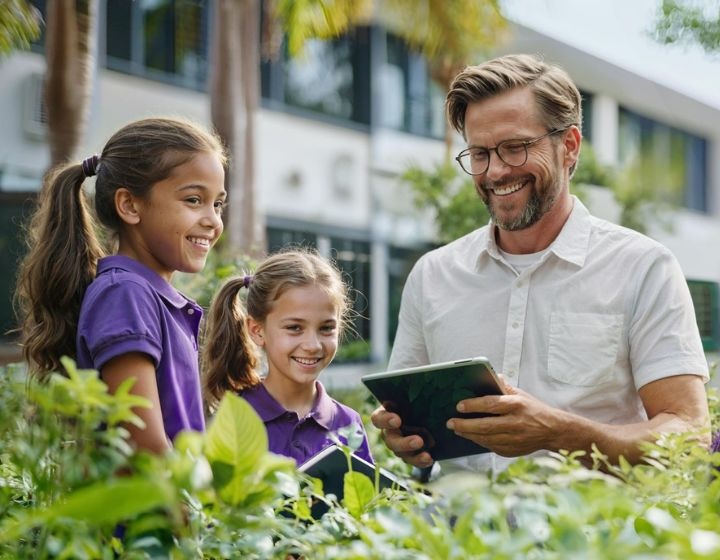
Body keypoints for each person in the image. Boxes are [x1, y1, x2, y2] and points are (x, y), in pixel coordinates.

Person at [371, 53, 710, 475]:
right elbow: (403, 419)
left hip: (594, 538)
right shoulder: (433, 274)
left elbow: (688, 433)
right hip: (454, 536)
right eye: (479, 154)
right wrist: (402, 436)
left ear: (568, 146)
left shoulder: (643, 268)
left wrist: (559, 433)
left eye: (514, 148)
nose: (494, 172)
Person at [15, 117, 227, 454]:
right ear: (129, 205)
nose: (213, 220)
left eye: (217, 203)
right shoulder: (126, 294)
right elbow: (143, 446)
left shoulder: (146, 295)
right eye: (193, 200)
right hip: (158, 504)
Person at [202, 247, 373, 466]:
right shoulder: (232, 422)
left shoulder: (348, 424)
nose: (313, 345)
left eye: (326, 328)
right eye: (294, 328)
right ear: (257, 330)